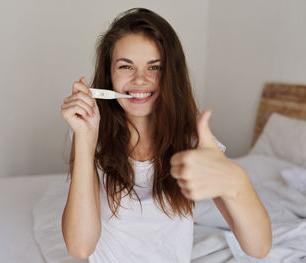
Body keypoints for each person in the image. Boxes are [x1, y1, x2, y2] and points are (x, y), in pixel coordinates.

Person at [60, 8, 272, 262]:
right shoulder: (89, 135)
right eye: (126, 66)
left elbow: (259, 248)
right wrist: (85, 138)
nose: (140, 80)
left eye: (154, 67)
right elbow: (80, 247)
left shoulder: (194, 142)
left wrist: (238, 182)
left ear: (171, 75)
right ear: (109, 75)